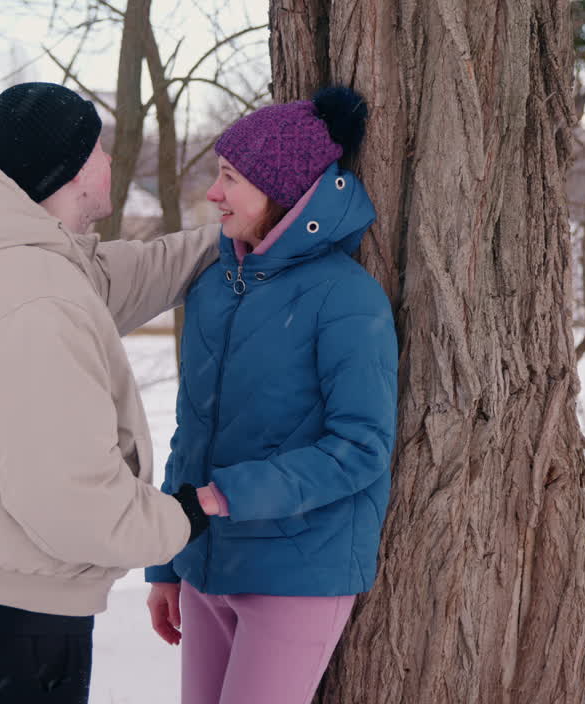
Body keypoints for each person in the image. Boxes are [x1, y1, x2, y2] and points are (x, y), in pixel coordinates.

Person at [0, 81, 222, 703]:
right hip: (20, 624)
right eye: (98, 149)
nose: (109, 161)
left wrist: (230, 237)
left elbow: (115, 279)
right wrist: (178, 518)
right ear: (74, 171)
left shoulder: (9, 257)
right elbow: (68, 495)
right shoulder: (34, 301)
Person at [144, 86, 399, 704]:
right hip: (204, 561)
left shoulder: (346, 296)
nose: (213, 193)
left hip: (298, 570)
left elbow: (361, 447)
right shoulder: (213, 287)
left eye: (230, 176)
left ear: (282, 190)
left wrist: (226, 495)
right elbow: (191, 430)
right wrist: (164, 559)